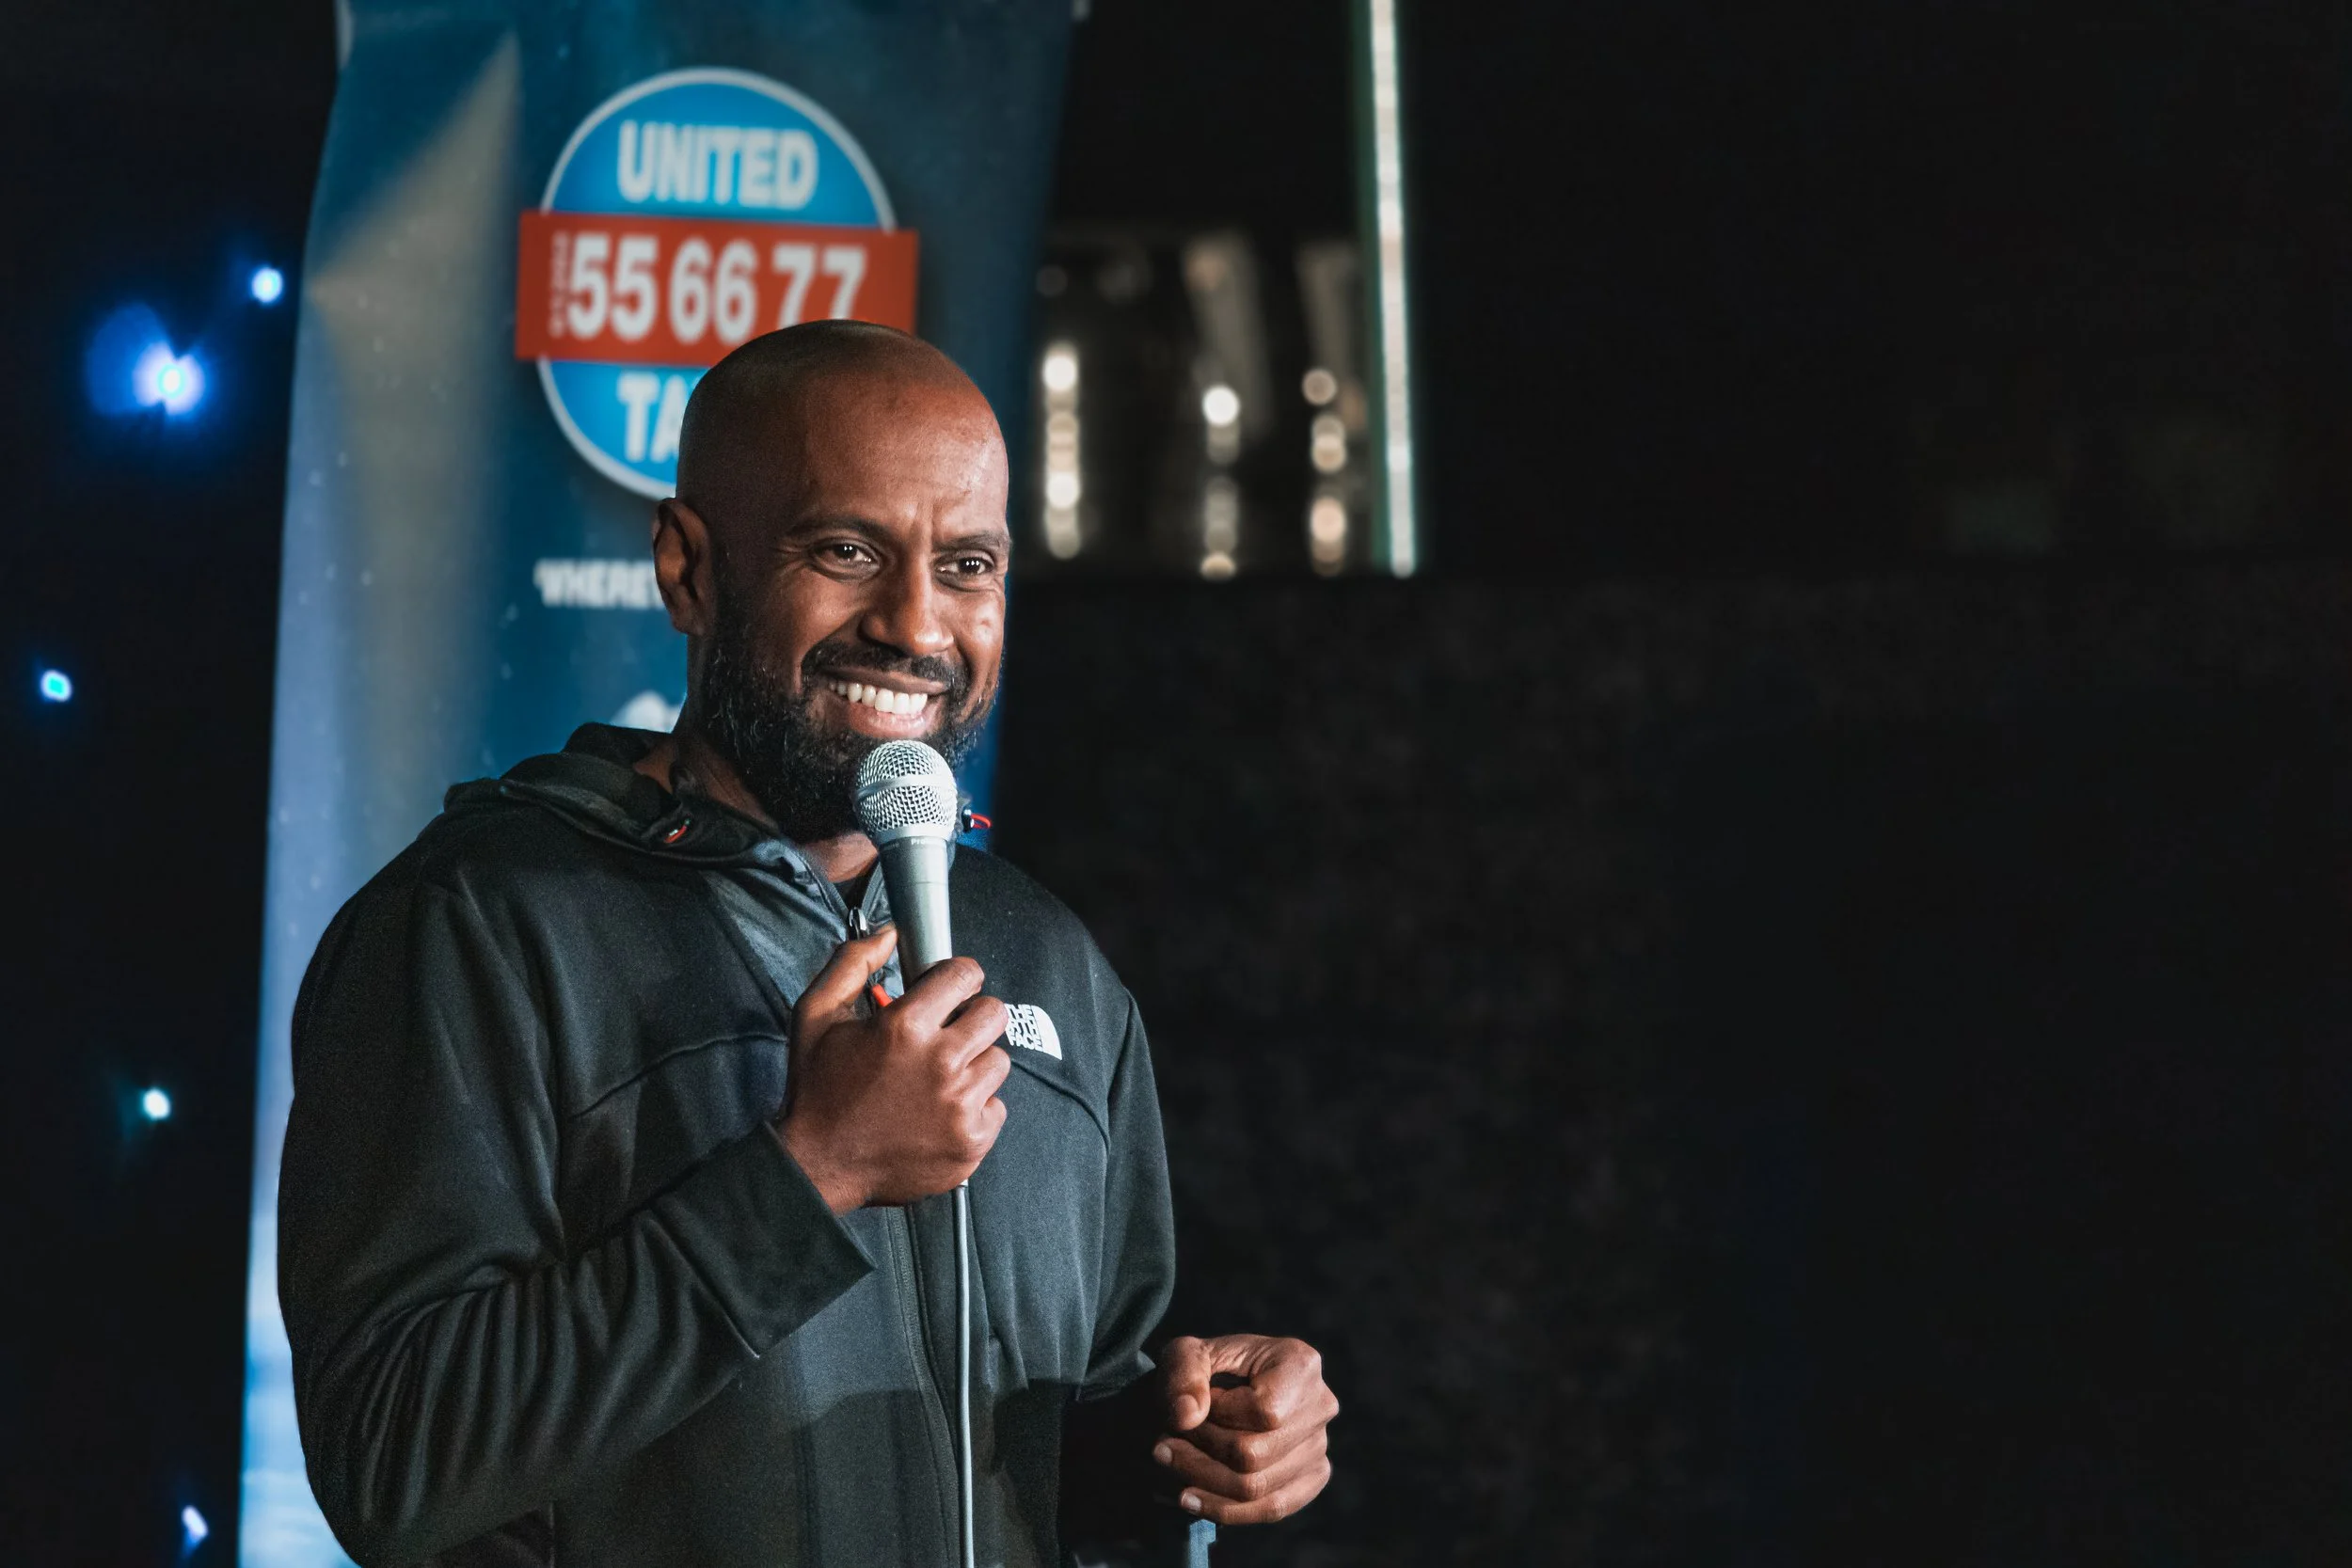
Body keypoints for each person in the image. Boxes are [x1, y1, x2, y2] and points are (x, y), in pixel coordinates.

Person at [277, 321, 1338, 1568]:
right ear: (688, 569)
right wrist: (811, 1174)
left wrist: (1190, 1439)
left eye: (968, 565)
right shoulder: (477, 925)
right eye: (847, 551)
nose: (915, 623)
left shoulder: (1048, 959)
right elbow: (393, 1463)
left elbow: (1053, 1445)